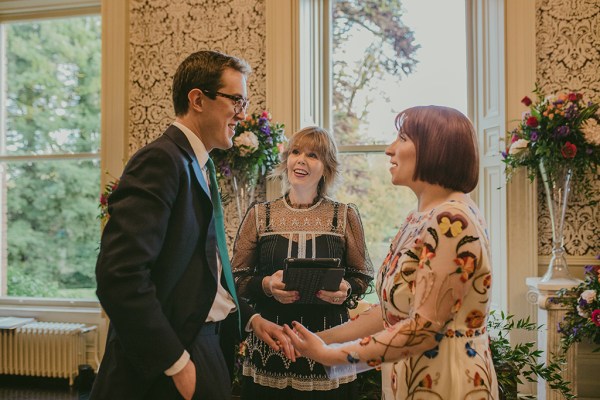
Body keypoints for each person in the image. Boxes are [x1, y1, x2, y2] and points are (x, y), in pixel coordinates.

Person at [90, 50, 293, 400]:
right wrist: (175, 361)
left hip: (206, 345)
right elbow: (118, 276)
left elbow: (200, 274)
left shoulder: (197, 165)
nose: (242, 114)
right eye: (236, 100)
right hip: (170, 359)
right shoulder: (161, 161)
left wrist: (249, 319)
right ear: (198, 99)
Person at [284, 106, 499, 399]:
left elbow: (422, 329)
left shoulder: (453, 220)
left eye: (402, 138)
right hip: (410, 374)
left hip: (444, 380)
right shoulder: (418, 218)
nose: (389, 149)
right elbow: (390, 314)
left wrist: (332, 355)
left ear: (435, 149)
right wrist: (318, 341)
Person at [231, 126, 374, 399]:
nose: (301, 160)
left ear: (327, 167)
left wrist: (346, 289)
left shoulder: (344, 216)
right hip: (271, 345)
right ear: (286, 160)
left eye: (313, 155)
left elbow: (361, 276)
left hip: (329, 344)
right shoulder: (260, 215)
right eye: (295, 152)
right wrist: (266, 285)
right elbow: (236, 278)